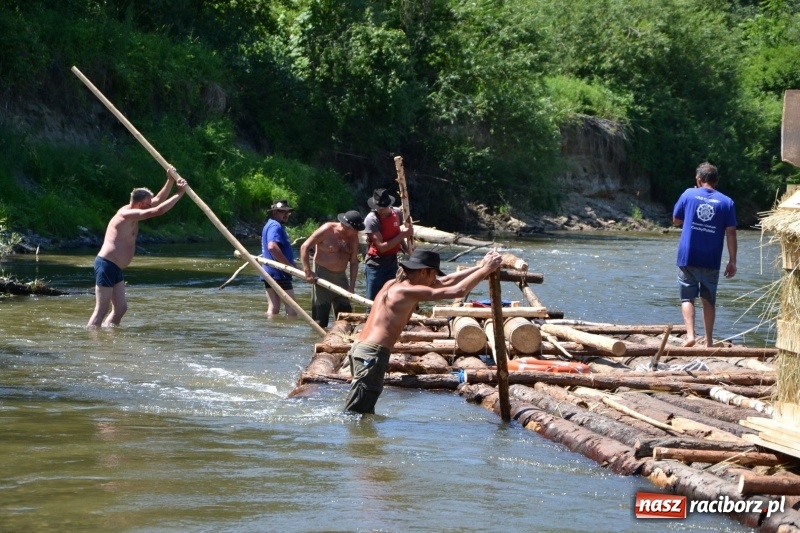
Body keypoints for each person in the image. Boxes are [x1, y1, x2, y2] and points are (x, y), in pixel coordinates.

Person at [344, 248, 503, 414]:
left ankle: (364, 439)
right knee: (356, 412)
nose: (435, 279)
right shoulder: (407, 291)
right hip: (373, 354)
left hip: (361, 350)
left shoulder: (393, 284)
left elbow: (447, 281)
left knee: (364, 407)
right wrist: (486, 270)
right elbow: (458, 291)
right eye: (433, 274)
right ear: (423, 272)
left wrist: (481, 267)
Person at [87, 167, 187, 328]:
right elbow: (158, 210)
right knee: (102, 309)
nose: (150, 205)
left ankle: (108, 337)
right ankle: (91, 339)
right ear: (140, 203)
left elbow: (158, 202)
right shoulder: (126, 214)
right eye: (147, 204)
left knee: (120, 309)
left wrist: (169, 180)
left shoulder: (137, 209)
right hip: (106, 264)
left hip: (116, 267)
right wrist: (179, 193)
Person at [673, 162, 737, 348]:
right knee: (708, 298)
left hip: (688, 255)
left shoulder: (688, 194)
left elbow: (676, 220)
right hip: (711, 258)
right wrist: (732, 260)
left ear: (698, 180)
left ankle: (690, 336)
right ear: (716, 181)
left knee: (687, 297)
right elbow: (731, 232)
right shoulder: (727, 202)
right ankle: (709, 341)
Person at [300, 210, 365, 328]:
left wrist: (352, 286)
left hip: (341, 278)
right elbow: (305, 246)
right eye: (353, 229)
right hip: (322, 276)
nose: (356, 232)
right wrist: (307, 271)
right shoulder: (327, 230)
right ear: (345, 225)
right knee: (320, 321)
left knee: (346, 318)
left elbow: (354, 262)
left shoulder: (353, 237)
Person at [363, 188, 414, 302]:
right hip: (376, 265)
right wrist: (402, 235)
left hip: (392, 263)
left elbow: (395, 233)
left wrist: (408, 249)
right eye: (378, 208)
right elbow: (381, 247)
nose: (381, 211)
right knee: (373, 300)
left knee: (392, 298)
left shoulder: (397, 213)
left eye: (383, 208)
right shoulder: (371, 220)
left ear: (389, 206)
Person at [262, 199, 299, 316]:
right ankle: (289, 334)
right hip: (279, 272)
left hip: (268, 271)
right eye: (282, 212)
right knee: (292, 309)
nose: (286, 214)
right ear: (274, 212)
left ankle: (271, 332)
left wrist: (294, 265)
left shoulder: (269, 224)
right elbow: (272, 246)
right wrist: (288, 265)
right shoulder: (275, 226)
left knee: (273, 308)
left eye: (287, 212)